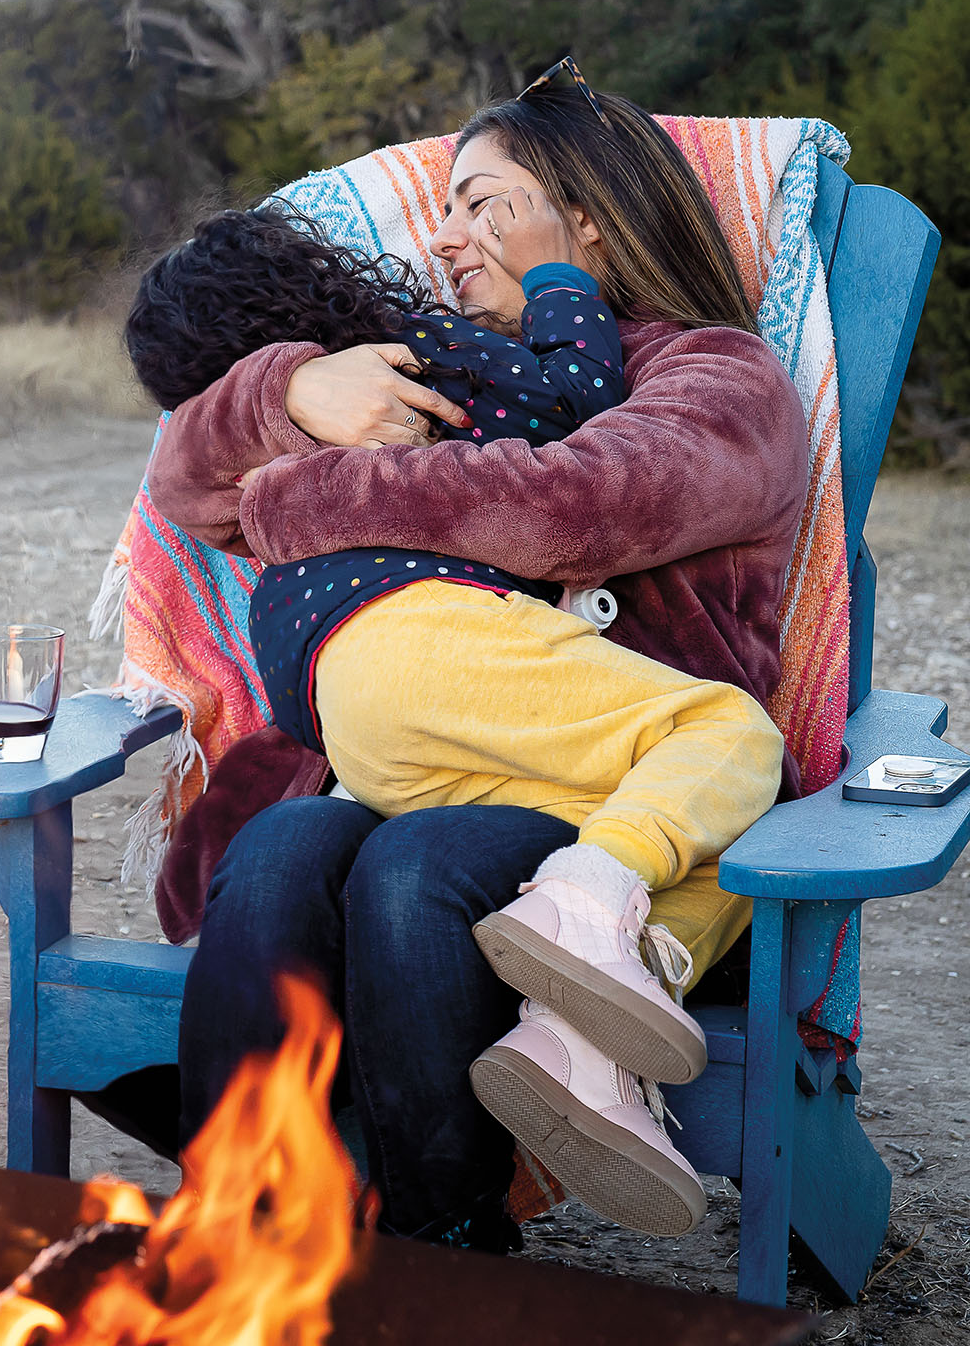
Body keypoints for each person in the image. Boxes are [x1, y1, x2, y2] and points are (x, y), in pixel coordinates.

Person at [145, 74, 809, 1253]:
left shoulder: (714, 375)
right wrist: (295, 382)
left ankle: (440, 1246)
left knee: (411, 868)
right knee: (284, 845)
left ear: (588, 217)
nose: (445, 239)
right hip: (430, 750)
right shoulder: (434, 375)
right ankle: (238, 1234)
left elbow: (578, 507)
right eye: (441, 210)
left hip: (616, 790)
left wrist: (305, 490)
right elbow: (185, 480)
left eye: (480, 203)